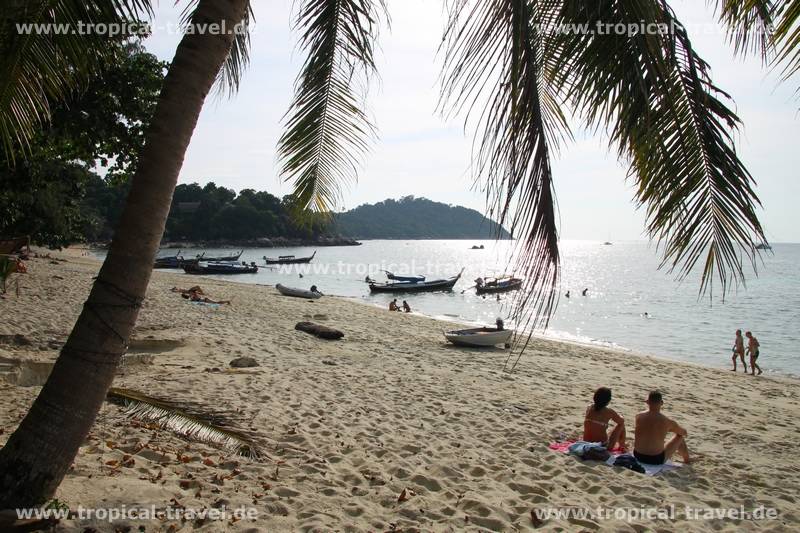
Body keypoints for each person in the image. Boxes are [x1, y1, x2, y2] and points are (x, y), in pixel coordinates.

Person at [633, 390, 691, 465]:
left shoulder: (638, 416)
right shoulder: (667, 421)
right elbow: (683, 432)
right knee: (680, 436)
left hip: (637, 455)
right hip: (655, 459)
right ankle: (687, 460)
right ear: (661, 403)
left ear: (647, 402)